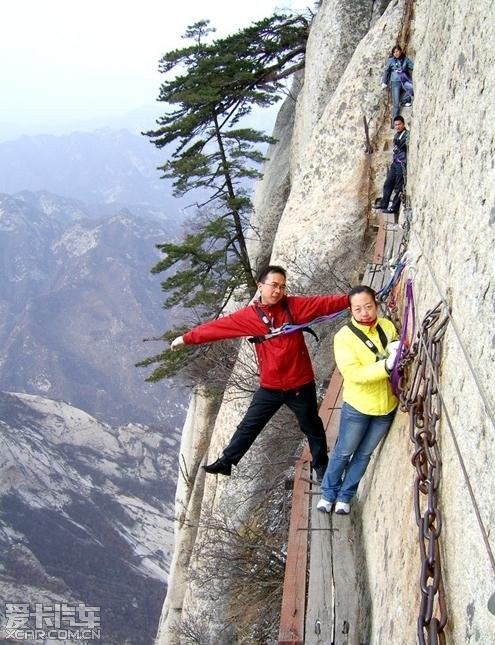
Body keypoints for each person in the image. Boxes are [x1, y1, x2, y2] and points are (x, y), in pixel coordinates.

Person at [170, 265, 348, 480]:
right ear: (260, 286)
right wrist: (187, 338)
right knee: (249, 425)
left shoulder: (293, 307)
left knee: (311, 426)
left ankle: (321, 468)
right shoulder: (250, 316)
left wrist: (355, 299)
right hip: (270, 386)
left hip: (299, 383)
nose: (278, 291)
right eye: (273, 285)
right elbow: (218, 327)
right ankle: (227, 461)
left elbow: (325, 304)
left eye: (282, 286)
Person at [317, 285, 399, 515]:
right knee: (344, 451)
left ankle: (345, 496)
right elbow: (353, 374)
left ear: (376, 305)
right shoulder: (344, 338)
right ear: (351, 311)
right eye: (358, 309)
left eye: (369, 307)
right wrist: (386, 365)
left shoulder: (387, 327)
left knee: (364, 454)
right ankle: (328, 494)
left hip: (386, 407)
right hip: (359, 406)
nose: (364, 313)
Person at [372, 115, 408, 217]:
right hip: (395, 163)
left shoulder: (406, 135)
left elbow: (402, 145)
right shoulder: (397, 135)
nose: (397, 126)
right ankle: (384, 204)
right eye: (396, 125)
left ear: (403, 124)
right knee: (388, 184)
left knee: (398, 187)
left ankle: (394, 208)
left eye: (399, 124)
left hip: (401, 164)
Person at [381, 45, 414, 126]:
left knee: (412, 88)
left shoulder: (405, 60)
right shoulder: (391, 60)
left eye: (397, 51)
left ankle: (404, 100)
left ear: (400, 51)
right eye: (394, 52)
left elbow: (412, 66)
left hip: (404, 80)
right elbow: (386, 71)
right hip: (395, 83)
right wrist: (384, 82)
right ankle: (394, 123)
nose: (396, 53)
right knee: (395, 103)